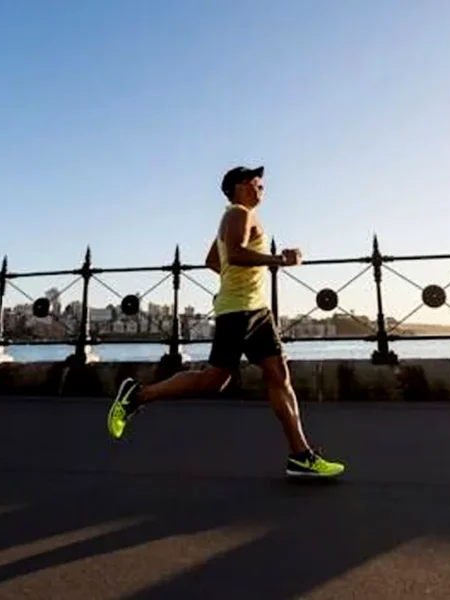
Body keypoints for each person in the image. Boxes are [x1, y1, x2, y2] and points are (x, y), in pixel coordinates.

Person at [106, 165, 345, 478]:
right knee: (214, 380)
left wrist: (237, 283)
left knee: (278, 374)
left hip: (255, 310)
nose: (261, 186)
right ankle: (135, 396)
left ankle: (301, 455)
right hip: (240, 312)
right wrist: (279, 260)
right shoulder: (238, 214)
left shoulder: (238, 216)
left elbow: (213, 260)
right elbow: (234, 254)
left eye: (261, 182)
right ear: (239, 186)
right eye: (255, 181)